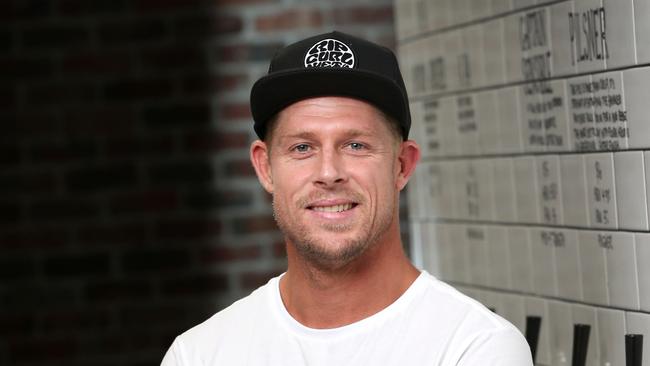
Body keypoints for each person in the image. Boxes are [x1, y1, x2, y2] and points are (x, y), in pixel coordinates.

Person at [161, 31, 533, 365]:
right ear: (266, 168)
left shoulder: (474, 348)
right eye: (302, 147)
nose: (328, 173)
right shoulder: (199, 354)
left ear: (402, 165)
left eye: (356, 145)